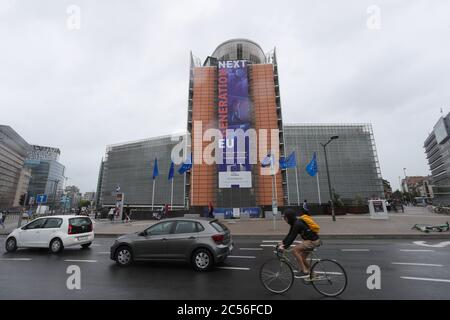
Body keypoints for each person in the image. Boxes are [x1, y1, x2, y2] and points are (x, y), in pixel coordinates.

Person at [279, 209, 321, 278]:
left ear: (289, 217)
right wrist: (283, 242)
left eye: (285, 218)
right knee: (302, 258)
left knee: (295, 250)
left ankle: (304, 271)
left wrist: (284, 247)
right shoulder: (295, 223)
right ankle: (313, 274)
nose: (285, 220)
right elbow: (290, 234)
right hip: (312, 240)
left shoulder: (297, 224)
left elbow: (292, 237)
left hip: (312, 241)